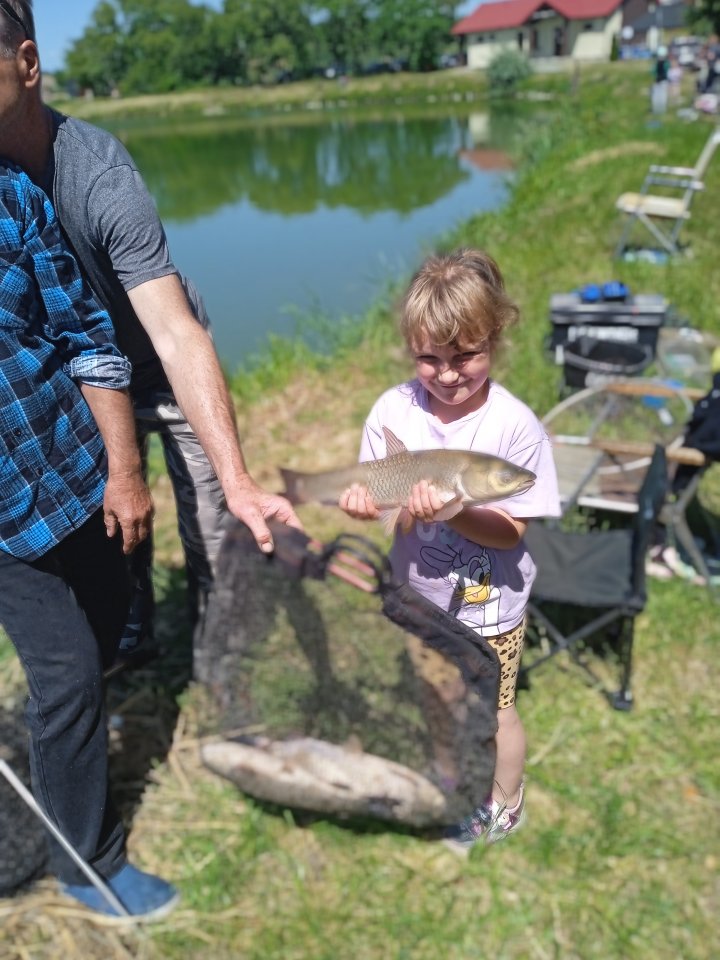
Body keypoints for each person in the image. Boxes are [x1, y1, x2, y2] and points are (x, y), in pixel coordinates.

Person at [0, 1, 302, 655]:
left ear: (27, 64)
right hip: (76, 381)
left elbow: (174, 331)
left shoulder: (99, 175)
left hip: (156, 364)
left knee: (215, 521)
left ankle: (220, 656)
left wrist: (240, 477)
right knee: (112, 520)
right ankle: (133, 646)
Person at [0, 158, 176, 917]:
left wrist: (125, 471)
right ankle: (85, 863)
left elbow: (86, 336)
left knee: (106, 633)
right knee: (66, 673)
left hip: (78, 471)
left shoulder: (13, 193)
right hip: (2, 530)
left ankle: (72, 746)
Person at [340, 248, 560, 849]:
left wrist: (459, 511)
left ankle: (504, 802)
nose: (447, 373)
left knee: (494, 711)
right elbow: (382, 502)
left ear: (496, 339)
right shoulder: (393, 410)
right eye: (429, 358)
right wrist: (370, 506)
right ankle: (448, 780)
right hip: (421, 597)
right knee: (434, 693)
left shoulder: (515, 428)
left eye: (465, 355)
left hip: (491, 606)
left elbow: (513, 530)